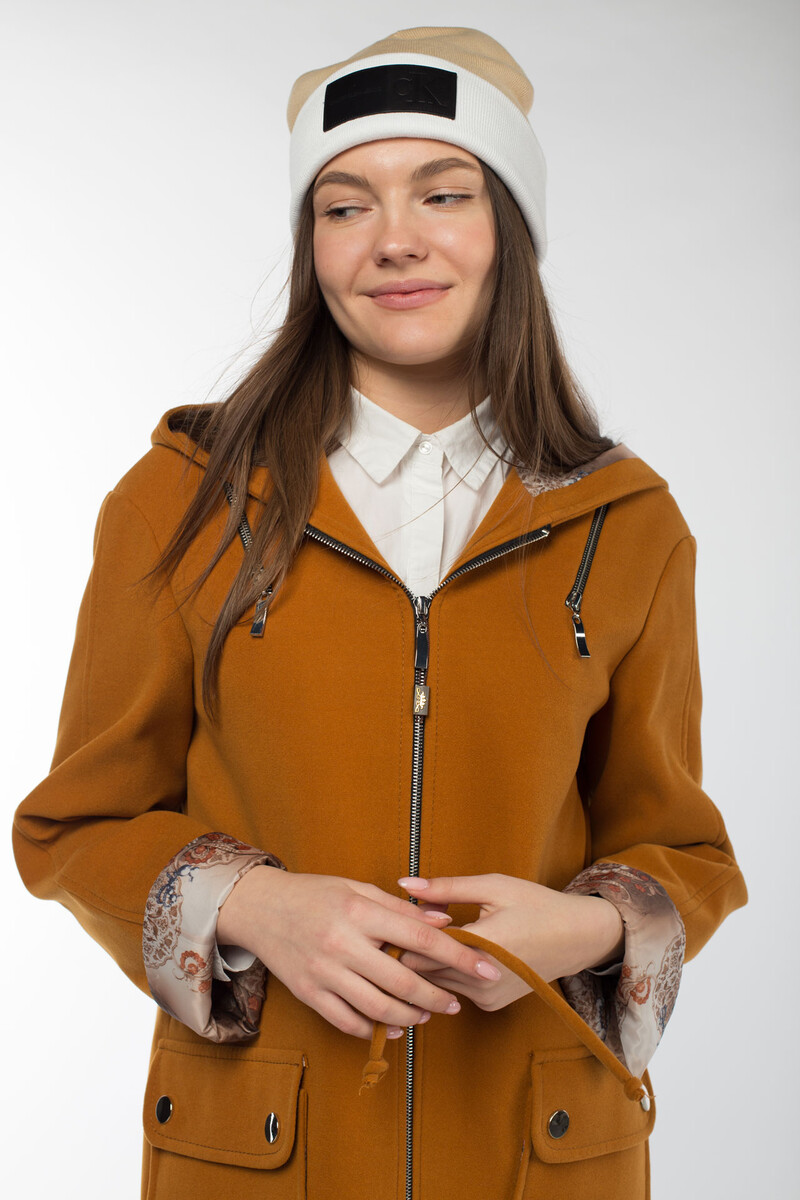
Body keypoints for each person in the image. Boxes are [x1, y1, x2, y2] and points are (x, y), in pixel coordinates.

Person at [12, 25, 747, 1200]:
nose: (392, 238)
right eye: (343, 206)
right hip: (260, 1153)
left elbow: (681, 850)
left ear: (508, 227)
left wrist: (578, 929)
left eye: (442, 193)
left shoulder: (626, 523)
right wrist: (258, 905)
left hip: (539, 1148)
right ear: (311, 248)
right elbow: (74, 825)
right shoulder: (181, 500)